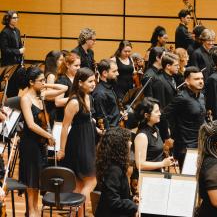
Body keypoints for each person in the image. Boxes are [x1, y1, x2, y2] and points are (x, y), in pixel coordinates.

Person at [19, 67, 67, 217]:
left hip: (41, 143)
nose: (43, 82)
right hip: (30, 144)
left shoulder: (42, 95)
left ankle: (35, 209)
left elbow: (64, 88)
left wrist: (46, 85)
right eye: (40, 80)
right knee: (31, 178)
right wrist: (49, 135)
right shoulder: (25, 99)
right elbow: (31, 124)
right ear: (31, 82)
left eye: (44, 80)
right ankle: (31, 211)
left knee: (38, 177)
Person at [57, 68, 99, 217]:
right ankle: (75, 212)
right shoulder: (74, 101)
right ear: (80, 83)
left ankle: (77, 215)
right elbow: (65, 126)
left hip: (88, 139)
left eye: (94, 80)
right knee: (92, 180)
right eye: (90, 81)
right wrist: (61, 150)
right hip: (78, 142)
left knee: (80, 183)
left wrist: (96, 129)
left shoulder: (89, 97)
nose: (94, 84)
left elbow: (88, 119)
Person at [165, 66, 206, 168]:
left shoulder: (201, 96)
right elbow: (164, 115)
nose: (201, 81)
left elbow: (200, 118)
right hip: (186, 146)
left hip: (200, 143)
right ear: (187, 81)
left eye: (201, 78)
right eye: (196, 79)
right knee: (188, 179)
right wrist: (168, 136)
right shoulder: (181, 98)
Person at [95, 128, 138, 217]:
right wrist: (134, 206)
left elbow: (119, 193)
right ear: (119, 145)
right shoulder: (113, 170)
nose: (130, 143)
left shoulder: (114, 165)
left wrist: (131, 198)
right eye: (127, 141)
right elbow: (113, 202)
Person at [133, 97, 174, 184]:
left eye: (159, 111)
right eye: (156, 112)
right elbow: (140, 164)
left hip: (156, 176)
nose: (159, 114)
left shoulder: (156, 129)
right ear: (146, 115)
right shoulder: (142, 136)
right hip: (145, 180)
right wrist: (162, 164)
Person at [146, 52, 179, 141]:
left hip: (173, 121)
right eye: (176, 65)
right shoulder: (159, 81)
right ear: (168, 66)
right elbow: (161, 107)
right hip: (165, 124)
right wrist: (166, 128)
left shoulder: (172, 77)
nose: (178, 67)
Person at [92, 59, 126, 130]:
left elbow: (111, 110)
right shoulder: (100, 93)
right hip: (111, 132)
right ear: (104, 73)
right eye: (114, 71)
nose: (117, 74)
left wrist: (120, 113)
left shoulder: (110, 86)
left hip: (117, 127)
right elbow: (102, 118)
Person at [54, 52, 80, 122]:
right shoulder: (62, 80)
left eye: (79, 65)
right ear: (68, 65)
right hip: (63, 119)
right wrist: (77, 98)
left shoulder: (77, 78)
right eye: (76, 65)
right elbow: (58, 102)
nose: (78, 68)